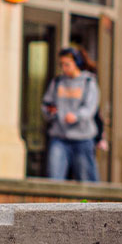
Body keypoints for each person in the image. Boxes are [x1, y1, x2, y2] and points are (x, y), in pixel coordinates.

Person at [42, 46, 102, 181]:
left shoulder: (88, 82)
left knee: (87, 179)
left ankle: (91, 203)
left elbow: (90, 107)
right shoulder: (57, 82)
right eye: (62, 64)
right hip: (59, 137)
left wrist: (76, 116)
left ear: (77, 64)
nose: (64, 68)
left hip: (82, 138)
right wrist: (50, 111)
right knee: (54, 177)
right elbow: (46, 104)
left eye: (67, 64)